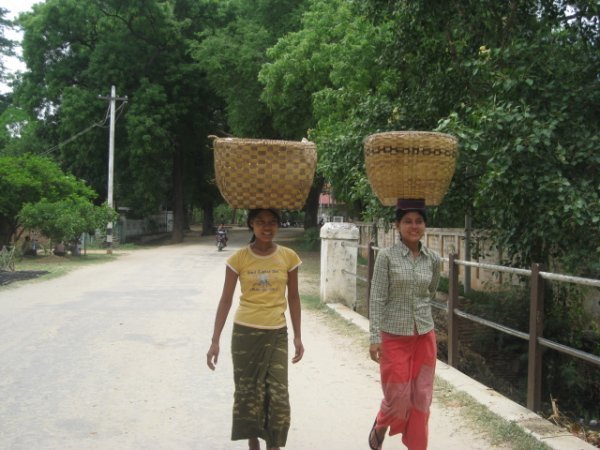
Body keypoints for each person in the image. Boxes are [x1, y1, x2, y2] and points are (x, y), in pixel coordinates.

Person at [207, 208, 304, 450]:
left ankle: (273, 445)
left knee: (278, 396)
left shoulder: (289, 257)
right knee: (249, 393)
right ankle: (253, 443)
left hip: (277, 333)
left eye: (272, 222)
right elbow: (225, 300)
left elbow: (293, 298)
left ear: (278, 226)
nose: (266, 227)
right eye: (260, 222)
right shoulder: (238, 258)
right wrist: (215, 340)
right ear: (251, 224)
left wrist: (298, 337)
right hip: (245, 334)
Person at [368, 199, 441, 450]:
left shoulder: (433, 259)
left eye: (418, 221)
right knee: (397, 397)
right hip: (393, 336)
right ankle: (381, 422)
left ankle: (417, 446)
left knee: (422, 397)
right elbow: (377, 297)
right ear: (397, 225)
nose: (414, 226)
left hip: (424, 335)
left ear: (425, 225)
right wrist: (374, 336)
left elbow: (431, 292)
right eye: (407, 221)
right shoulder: (386, 257)